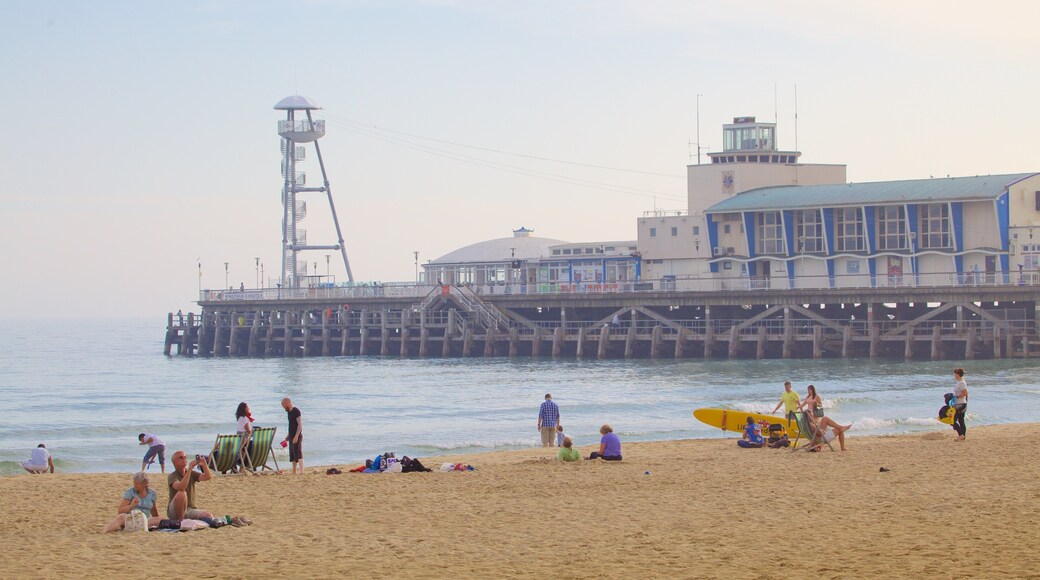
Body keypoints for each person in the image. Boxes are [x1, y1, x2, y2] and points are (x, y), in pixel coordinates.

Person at [281, 397, 303, 474]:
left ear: (287, 403)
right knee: (292, 454)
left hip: (297, 435)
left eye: (283, 405)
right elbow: (290, 425)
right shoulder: (289, 412)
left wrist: (296, 436)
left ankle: (301, 471)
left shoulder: (296, 411)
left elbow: (299, 424)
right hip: (291, 435)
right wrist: (288, 435)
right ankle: (294, 471)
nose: (283, 407)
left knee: (298, 453)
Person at [235, 402, 254, 472]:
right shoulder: (245, 418)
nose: (249, 408)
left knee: (242, 454)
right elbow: (248, 430)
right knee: (244, 454)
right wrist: (255, 435)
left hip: (239, 437)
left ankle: (241, 470)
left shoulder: (241, 417)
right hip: (243, 438)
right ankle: (242, 469)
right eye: (247, 407)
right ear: (244, 409)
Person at [952, 368, 969, 441]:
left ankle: (960, 435)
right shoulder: (960, 382)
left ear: (958, 375)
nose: (954, 375)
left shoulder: (961, 383)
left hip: (960, 404)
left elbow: (965, 393)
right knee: (961, 420)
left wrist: (957, 396)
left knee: (952, 420)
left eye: (955, 374)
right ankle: (962, 436)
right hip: (962, 403)